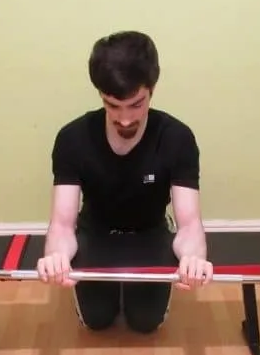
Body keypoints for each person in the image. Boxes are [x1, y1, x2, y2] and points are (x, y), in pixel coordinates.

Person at [36, 30, 213, 333]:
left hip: (150, 231)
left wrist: (194, 259)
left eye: (136, 104)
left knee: (145, 322)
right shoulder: (72, 138)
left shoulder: (177, 138)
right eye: (113, 106)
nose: (126, 119)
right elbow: (63, 225)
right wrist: (57, 256)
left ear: (152, 90)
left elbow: (190, 224)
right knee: (96, 320)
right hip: (95, 230)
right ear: (100, 94)